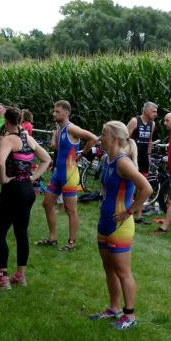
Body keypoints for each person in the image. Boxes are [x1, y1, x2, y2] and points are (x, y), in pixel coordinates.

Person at [89, 121, 152, 330]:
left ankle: (130, 316)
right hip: (105, 222)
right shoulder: (107, 159)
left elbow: (146, 188)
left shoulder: (123, 163)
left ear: (114, 138)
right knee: (109, 268)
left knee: (123, 272)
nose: (100, 138)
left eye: (103, 134)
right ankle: (113, 308)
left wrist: (129, 211)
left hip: (120, 226)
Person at [0, 107, 51, 289]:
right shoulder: (28, 138)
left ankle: (2, 278)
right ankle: (20, 276)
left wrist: (4, 179)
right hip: (28, 190)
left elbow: (0, 161)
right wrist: (33, 177)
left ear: (6, 122)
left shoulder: (8, 139)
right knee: (21, 232)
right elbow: (46, 159)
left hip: (13, 189)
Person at [37, 100, 98, 251]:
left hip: (69, 175)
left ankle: (71, 243)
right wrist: (54, 135)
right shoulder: (60, 129)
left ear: (66, 113)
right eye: (54, 111)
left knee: (70, 210)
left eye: (57, 111)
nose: (54, 113)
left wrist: (82, 154)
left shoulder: (72, 128)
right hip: (58, 173)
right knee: (47, 204)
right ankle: (52, 238)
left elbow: (93, 138)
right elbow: (56, 147)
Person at [127, 102, 157, 222]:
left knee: (142, 186)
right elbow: (125, 138)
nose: (156, 114)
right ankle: (127, 212)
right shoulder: (135, 121)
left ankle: (139, 215)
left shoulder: (152, 124)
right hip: (133, 157)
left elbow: (150, 140)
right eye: (154, 111)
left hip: (144, 158)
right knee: (130, 184)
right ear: (146, 111)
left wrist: (149, 156)